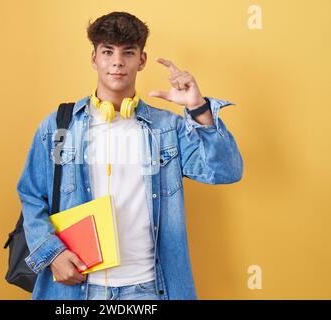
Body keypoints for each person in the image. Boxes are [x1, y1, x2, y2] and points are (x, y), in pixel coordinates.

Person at [17, 11, 243, 300]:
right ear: (94, 58)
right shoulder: (59, 126)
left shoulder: (167, 128)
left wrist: (199, 109)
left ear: (142, 60)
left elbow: (227, 171)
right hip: (77, 288)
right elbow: (31, 194)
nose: (117, 62)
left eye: (128, 52)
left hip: (149, 287)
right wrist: (53, 254)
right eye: (107, 51)